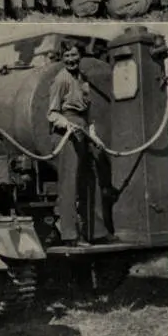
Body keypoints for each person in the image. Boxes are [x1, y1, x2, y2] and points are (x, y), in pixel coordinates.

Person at [48, 40, 116, 246]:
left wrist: (91, 131)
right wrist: (67, 124)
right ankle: (69, 235)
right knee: (69, 182)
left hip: (83, 128)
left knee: (91, 178)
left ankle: (96, 232)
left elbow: (87, 110)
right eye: (66, 56)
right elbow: (51, 113)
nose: (70, 60)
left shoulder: (83, 79)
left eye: (73, 55)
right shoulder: (61, 80)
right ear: (62, 58)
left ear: (80, 56)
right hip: (66, 131)